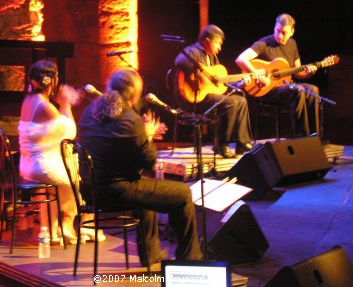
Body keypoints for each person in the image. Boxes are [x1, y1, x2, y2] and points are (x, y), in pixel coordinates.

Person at [77, 68, 203, 267]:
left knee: (147, 189)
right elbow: (150, 162)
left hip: (88, 188)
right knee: (183, 193)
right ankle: (191, 259)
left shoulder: (90, 111)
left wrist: (140, 136)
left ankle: (151, 254)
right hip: (115, 192)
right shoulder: (129, 119)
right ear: (134, 95)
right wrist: (147, 134)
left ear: (109, 87)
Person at [18, 59, 104, 245]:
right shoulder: (44, 106)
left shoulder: (30, 100)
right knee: (79, 180)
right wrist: (66, 104)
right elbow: (69, 132)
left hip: (28, 164)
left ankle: (57, 228)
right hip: (39, 167)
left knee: (71, 167)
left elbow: (50, 134)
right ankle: (72, 223)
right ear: (53, 81)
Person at [174, 24, 253, 158]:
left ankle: (241, 142)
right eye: (218, 44)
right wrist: (200, 75)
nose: (219, 48)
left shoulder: (212, 57)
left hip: (208, 96)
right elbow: (179, 60)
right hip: (193, 98)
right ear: (207, 41)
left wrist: (239, 83)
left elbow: (220, 82)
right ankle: (221, 145)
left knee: (241, 99)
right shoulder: (193, 51)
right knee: (231, 103)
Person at [235, 13, 319, 136]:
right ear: (274, 27)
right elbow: (240, 59)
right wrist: (256, 73)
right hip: (267, 90)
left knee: (313, 90)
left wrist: (308, 73)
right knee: (298, 90)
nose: (280, 35)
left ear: (292, 32)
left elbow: (297, 72)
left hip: (287, 86)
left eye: (284, 33)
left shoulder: (292, 44)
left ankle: (315, 135)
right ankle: (302, 137)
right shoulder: (264, 44)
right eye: (277, 31)